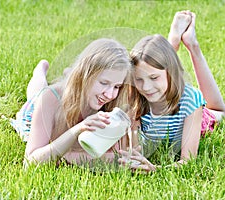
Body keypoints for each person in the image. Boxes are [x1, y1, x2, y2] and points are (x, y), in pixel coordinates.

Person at [118, 11, 225, 172]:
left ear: (170, 74)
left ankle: (191, 44)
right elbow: (134, 149)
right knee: (155, 65)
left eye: (153, 78)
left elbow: (188, 161)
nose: (146, 87)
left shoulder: (191, 101)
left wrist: (155, 169)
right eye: (139, 79)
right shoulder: (135, 95)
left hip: (193, 117)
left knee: (218, 111)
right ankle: (172, 43)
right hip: (166, 88)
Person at [10, 38, 133, 167]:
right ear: (85, 74)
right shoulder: (50, 98)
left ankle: (68, 74)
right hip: (36, 110)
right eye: (104, 83)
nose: (110, 94)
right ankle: (40, 72)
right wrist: (77, 130)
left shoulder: (111, 104)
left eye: (117, 86)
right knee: (36, 94)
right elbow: (30, 162)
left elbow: (113, 154)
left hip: (74, 90)